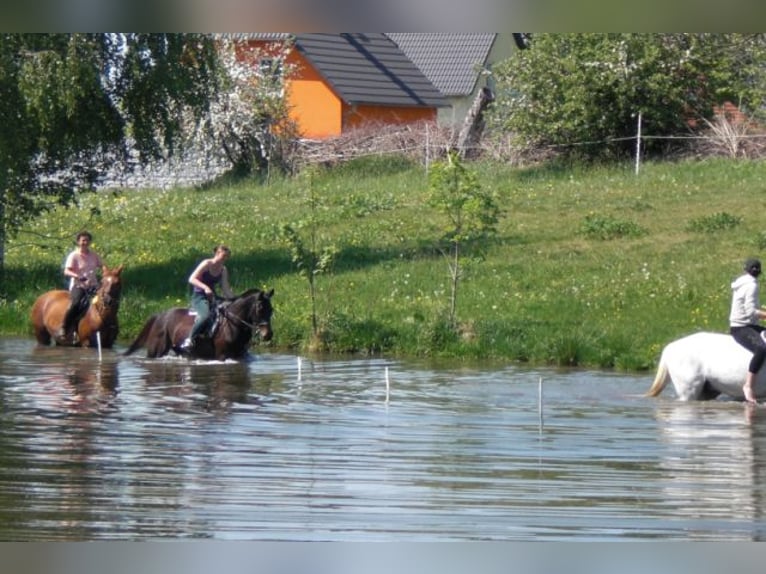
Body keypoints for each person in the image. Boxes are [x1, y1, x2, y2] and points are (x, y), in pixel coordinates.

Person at [180, 245, 234, 351]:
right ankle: (190, 339)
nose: (225, 259)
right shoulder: (206, 264)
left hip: (213, 297)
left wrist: (234, 300)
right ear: (217, 253)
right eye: (223, 256)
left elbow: (225, 288)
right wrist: (205, 288)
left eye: (227, 257)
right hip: (199, 297)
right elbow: (191, 279)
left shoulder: (223, 269)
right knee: (205, 315)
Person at [729, 257, 766, 404]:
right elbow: (751, 311)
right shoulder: (751, 285)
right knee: (761, 349)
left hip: (747, 324)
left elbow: (752, 307)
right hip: (741, 327)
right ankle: (748, 386)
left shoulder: (743, 282)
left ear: (745, 270)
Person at [58, 230, 103, 341]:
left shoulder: (94, 255)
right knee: (76, 303)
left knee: (105, 302)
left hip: (93, 286)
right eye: (83, 240)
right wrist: (78, 276)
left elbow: (103, 267)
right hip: (79, 286)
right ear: (78, 242)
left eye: (87, 240)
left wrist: (108, 275)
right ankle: (64, 326)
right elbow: (66, 271)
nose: (85, 242)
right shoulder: (74, 256)